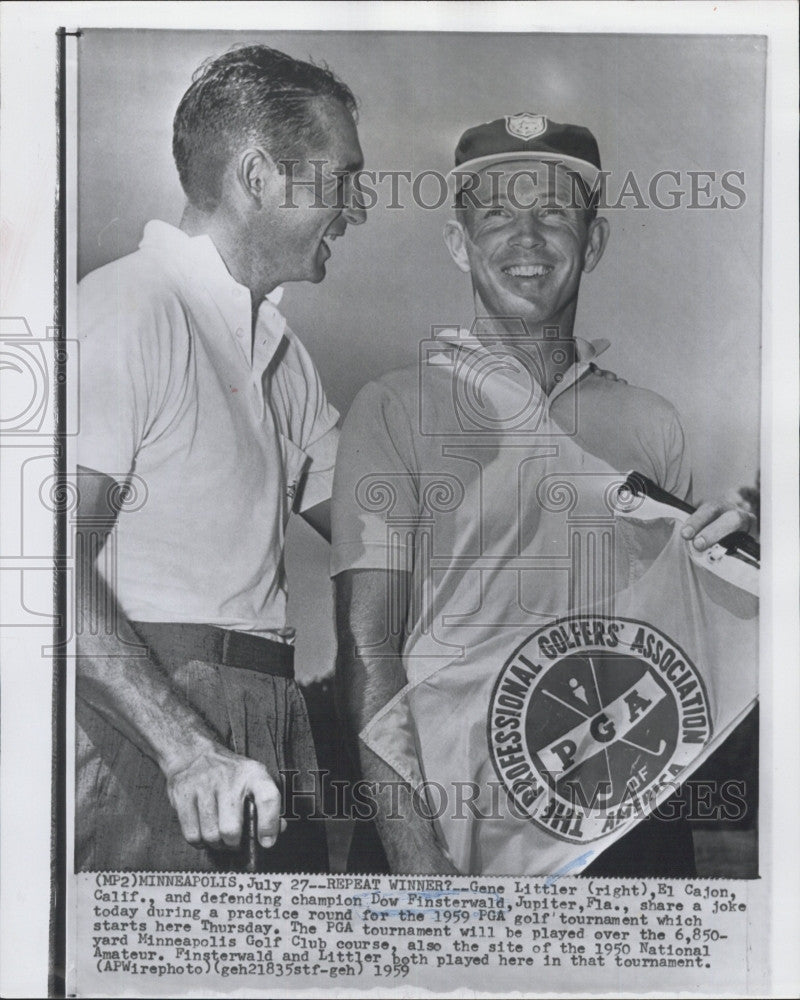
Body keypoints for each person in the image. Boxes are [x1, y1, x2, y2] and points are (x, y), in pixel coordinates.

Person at [331, 113, 755, 876]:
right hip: (449, 826)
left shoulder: (652, 422)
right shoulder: (393, 405)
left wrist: (750, 561)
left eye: (555, 212)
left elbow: (678, 643)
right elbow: (369, 648)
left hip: (620, 818)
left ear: (593, 242)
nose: (526, 239)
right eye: (496, 213)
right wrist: (411, 851)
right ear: (458, 242)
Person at [75, 44, 366, 872]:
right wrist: (185, 748)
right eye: (340, 179)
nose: (355, 209)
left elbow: (388, 525)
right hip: (150, 727)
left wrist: (645, 526)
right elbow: (33, 568)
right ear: (258, 176)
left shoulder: (280, 349)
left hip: (271, 717)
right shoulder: (130, 308)